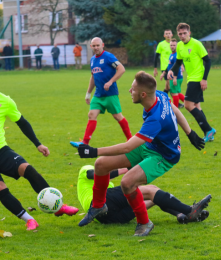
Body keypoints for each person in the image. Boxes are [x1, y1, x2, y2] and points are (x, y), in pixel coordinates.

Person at [75, 71, 207, 237]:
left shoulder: (155, 119)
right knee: (101, 164)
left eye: (133, 90)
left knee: (127, 182)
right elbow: (174, 109)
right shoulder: (158, 95)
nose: (130, 92)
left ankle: (144, 223)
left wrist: (92, 151)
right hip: (150, 145)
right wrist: (190, 133)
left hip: (163, 156)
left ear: (143, 94)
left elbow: (127, 147)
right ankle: (99, 205)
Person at [0, 92, 78, 231]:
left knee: (28, 169)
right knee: (1, 190)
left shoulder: (5, 101)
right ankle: (29, 220)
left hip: (2, 151)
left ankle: (59, 207)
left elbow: (22, 123)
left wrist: (38, 144)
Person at [77, 165, 211, 225]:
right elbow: (93, 174)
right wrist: (125, 169)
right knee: (151, 189)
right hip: (99, 204)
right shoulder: (85, 171)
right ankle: (189, 210)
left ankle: (182, 216)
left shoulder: (108, 186)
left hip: (108, 219)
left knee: (153, 198)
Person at [70, 37, 132, 148]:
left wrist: (111, 81)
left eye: (98, 45)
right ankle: (85, 143)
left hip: (110, 94)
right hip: (98, 94)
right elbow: (93, 77)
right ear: (91, 47)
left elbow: (121, 69)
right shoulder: (93, 60)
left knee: (118, 116)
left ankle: (130, 140)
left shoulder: (108, 57)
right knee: (91, 115)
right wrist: (88, 93)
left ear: (102, 45)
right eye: (94, 46)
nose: (96, 47)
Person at [168, 23, 216, 142]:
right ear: (178, 35)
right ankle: (208, 133)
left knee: (188, 105)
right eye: (180, 34)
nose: (183, 36)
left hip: (197, 78)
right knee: (197, 107)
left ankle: (209, 129)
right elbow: (178, 62)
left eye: (185, 33)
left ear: (189, 33)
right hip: (191, 78)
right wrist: (171, 71)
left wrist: (204, 79)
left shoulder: (197, 44)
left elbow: (208, 61)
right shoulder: (179, 46)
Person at [160, 39, 185, 108]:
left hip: (176, 77)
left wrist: (175, 78)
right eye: (171, 45)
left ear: (177, 46)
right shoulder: (172, 54)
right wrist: (164, 73)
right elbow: (169, 66)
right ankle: (188, 102)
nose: (172, 46)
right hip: (174, 76)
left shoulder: (176, 55)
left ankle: (175, 109)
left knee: (174, 93)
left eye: (174, 45)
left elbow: (177, 67)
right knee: (176, 92)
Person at [154, 29, 173, 94]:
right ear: (164, 35)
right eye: (166, 34)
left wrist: (181, 65)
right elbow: (156, 57)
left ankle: (164, 100)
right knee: (169, 85)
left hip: (173, 67)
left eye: (169, 33)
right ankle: (178, 101)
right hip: (164, 67)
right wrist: (155, 68)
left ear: (172, 35)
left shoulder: (174, 44)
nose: (168, 35)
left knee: (168, 86)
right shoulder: (161, 44)